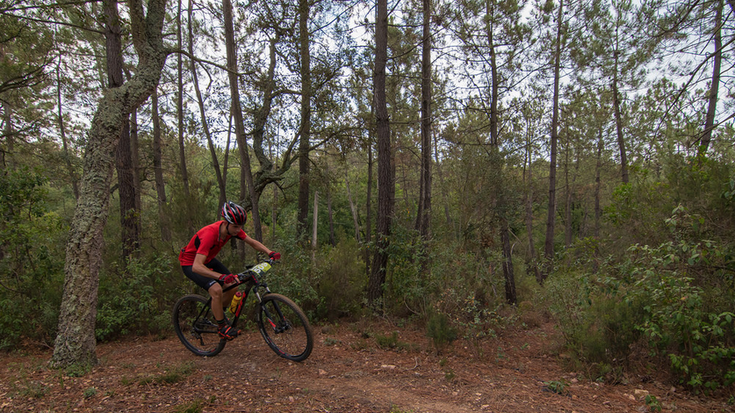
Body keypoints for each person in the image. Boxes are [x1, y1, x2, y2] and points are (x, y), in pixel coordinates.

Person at [179, 201, 280, 340]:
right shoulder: (210, 234)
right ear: (225, 223)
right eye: (235, 227)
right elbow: (197, 266)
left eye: (240, 227)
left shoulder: (232, 230)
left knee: (234, 284)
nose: (238, 230)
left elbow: (252, 242)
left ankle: (218, 313)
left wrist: (270, 252)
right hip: (191, 264)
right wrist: (220, 277)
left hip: (207, 260)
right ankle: (221, 328)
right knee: (216, 290)